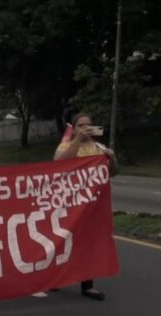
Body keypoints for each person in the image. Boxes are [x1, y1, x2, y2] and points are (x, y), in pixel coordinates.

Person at [54, 112, 118, 301]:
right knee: (65, 242)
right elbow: (58, 165)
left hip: (92, 206)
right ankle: (56, 278)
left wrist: (111, 159)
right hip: (69, 204)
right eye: (81, 125)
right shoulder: (66, 146)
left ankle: (88, 285)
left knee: (89, 244)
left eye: (88, 125)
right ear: (74, 129)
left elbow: (113, 172)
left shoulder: (99, 148)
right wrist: (77, 141)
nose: (85, 128)